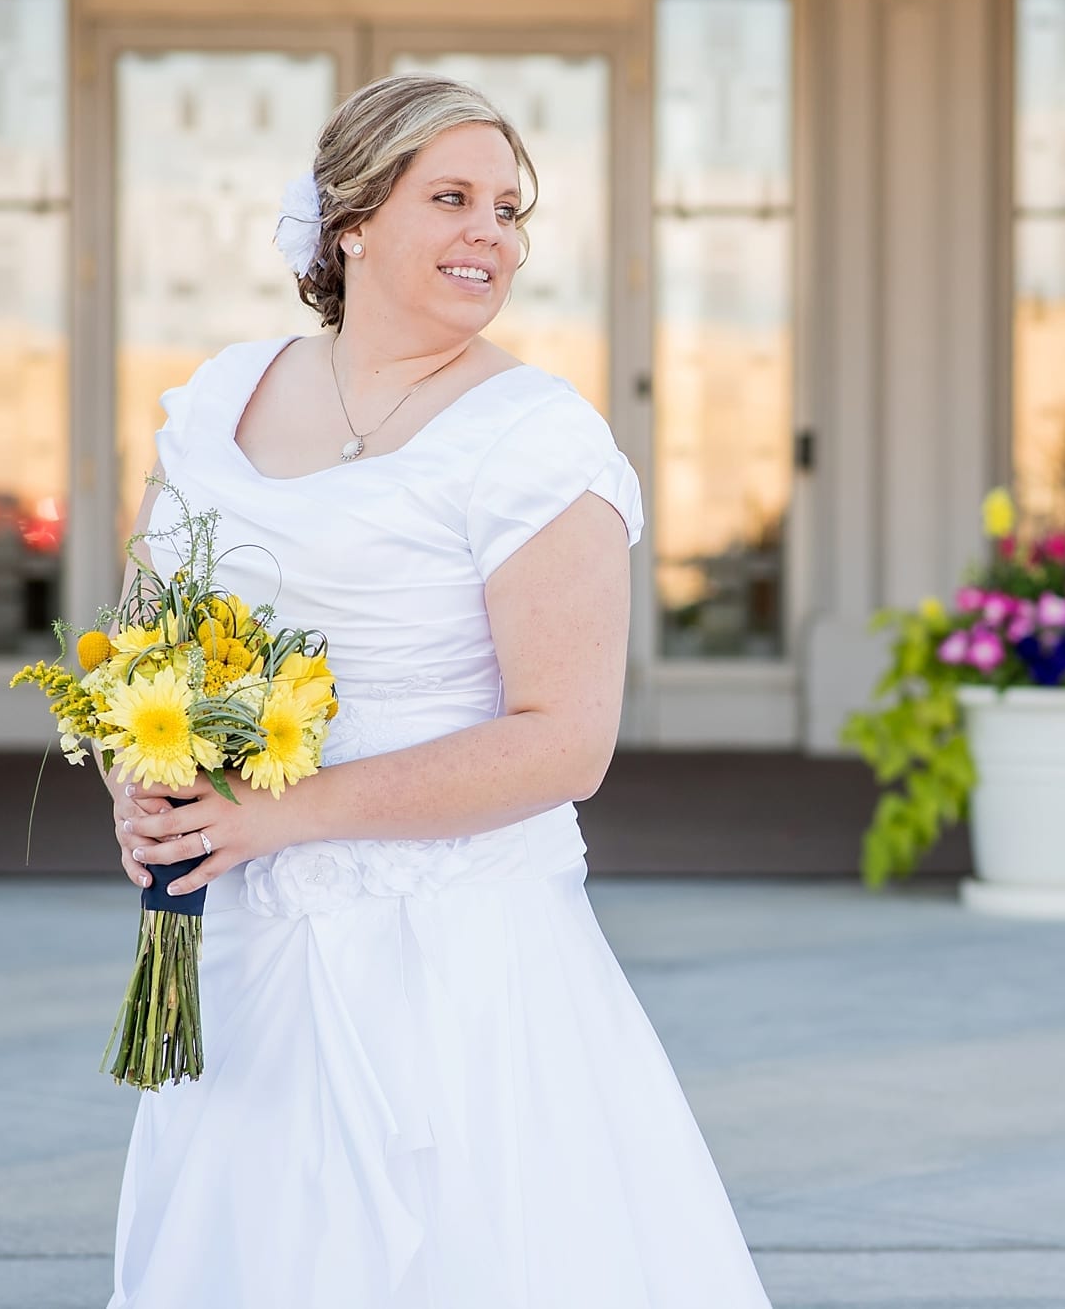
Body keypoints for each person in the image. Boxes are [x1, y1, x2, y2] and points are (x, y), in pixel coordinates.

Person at [99, 73, 771, 1307]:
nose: (492, 236)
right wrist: (145, 790)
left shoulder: (534, 440)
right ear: (350, 220)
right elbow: (144, 649)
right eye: (452, 197)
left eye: (509, 210)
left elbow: (565, 743)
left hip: (455, 962)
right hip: (249, 956)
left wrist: (274, 817)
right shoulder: (220, 399)